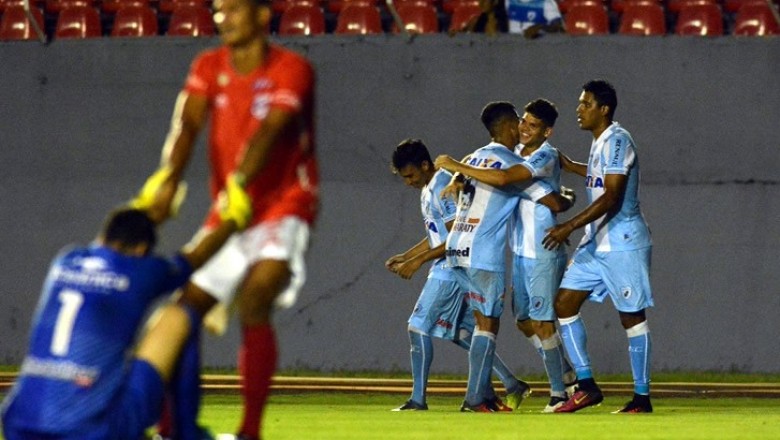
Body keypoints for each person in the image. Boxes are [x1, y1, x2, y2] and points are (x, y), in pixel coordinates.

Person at [137, 0, 318, 437]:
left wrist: (237, 185)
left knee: (255, 298)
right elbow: (186, 126)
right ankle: (172, 428)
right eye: (219, 10)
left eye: (235, 9)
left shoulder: (292, 68)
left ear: (261, 15)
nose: (224, 18)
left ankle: (249, 430)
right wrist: (169, 179)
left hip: (283, 205)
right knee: (181, 313)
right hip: (230, 215)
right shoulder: (208, 64)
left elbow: (271, 131)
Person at [0, 177, 252, 440]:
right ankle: (187, 434)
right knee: (178, 315)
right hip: (89, 432)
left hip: (18, 424)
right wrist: (233, 220)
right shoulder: (141, 271)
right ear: (142, 249)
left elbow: (108, 240)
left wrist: (146, 209)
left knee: (106, 380)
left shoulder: (66, 260)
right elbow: (195, 256)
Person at [435, 98, 577, 412]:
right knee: (488, 326)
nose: (523, 128)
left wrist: (456, 174)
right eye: (520, 122)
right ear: (510, 126)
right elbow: (551, 201)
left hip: (457, 246)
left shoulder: (476, 156)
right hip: (484, 253)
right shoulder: (509, 165)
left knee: (492, 322)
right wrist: (568, 195)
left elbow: (456, 183)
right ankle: (475, 399)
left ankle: (487, 395)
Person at [386, 139, 530, 412]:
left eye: (411, 175)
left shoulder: (442, 184)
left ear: (425, 165)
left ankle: (418, 400)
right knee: (462, 333)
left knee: (417, 326)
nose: (408, 182)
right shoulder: (428, 187)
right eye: (404, 177)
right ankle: (508, 384)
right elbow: (435, 236)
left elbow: (454, 235)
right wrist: (407, 255)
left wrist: (416, 263)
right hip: (451, 264)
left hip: (450, 268)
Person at [542, 79, 654, 414]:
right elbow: (595, 176)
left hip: (622, 243)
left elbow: (611, 194)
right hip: (597, 243)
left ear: (604, 109)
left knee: (631, 317)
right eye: (580, 103)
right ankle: (588, 386)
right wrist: (566, 163)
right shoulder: (599, 142)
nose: (579, 109)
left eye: (586, 103)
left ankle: (641, 398)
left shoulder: (618, 139)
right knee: (563, 303)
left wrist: (569, 226)